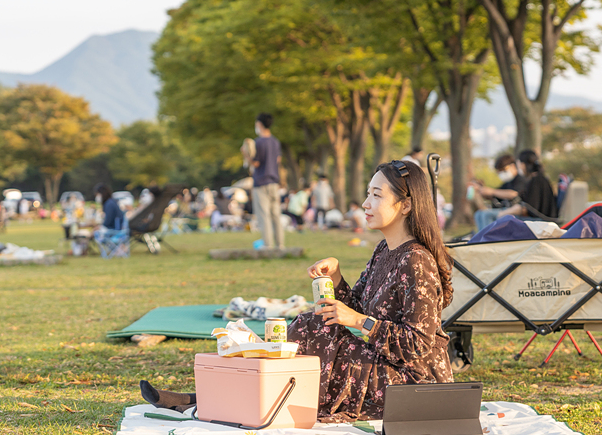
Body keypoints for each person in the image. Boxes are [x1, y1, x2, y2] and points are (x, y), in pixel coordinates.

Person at [139, 160, 454, 421]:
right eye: (367, 194)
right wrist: (339, 279)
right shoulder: (385, 251)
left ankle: (215, 399)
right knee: (312, 323)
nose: (365, 204)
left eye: (376, 195)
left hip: (413, 381)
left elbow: (418, 343)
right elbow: (357, 306)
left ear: (406, 205)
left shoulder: (416, 260)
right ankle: (216, 397)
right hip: (385, 362)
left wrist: (357, 322)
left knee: (316, 331)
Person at [250, 113, 286, 249]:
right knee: (276, 214)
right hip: (274, 181)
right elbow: (278, 160)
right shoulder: (275, 142)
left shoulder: (258, 143)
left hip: (261, 181)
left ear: (259, 124)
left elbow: (256, 163)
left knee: (264, 215)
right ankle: (280, 244)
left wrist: (246, 156)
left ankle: (268, 244)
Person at [470, 154, 528, 230]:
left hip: (517, 213)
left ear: (513, 166)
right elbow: (495, 196)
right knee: (478, 214)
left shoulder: (520, 180)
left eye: (504, 170)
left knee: (486, 215)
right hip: (505, 211)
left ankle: (489, 240)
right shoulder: (507, 183)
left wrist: (492, 191)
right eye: (499, 172)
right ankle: (481, 238)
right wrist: (482, 190)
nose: (501, 174)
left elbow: (514, 194)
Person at [497, 149, 558, 220]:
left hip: (541, 222)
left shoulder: (536, 181)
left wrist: (503, 213)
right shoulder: (538, 178)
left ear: (523, 165)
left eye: (519, 164)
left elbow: (528, 209)